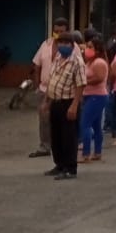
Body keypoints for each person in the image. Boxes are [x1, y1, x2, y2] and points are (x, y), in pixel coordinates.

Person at [42, 31, 86, 180]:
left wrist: (74, 106)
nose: (63, 46)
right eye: (60, 43)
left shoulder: (77, 62)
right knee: (56, 137)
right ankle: (59, 164)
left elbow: (80, 85)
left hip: (69, 102)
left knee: (69, 137)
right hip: (55, 102)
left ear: (72, 46)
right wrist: (47, 102)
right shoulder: (58, 58)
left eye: (66, 43)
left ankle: (70, 168)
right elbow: (52, 80)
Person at [28, 16, 70, 158]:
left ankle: (62, 146)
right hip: (44, 89)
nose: (58, 34)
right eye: (56, 31)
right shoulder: (45, 45)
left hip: (63, 91)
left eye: (61, 31)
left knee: (61, 120)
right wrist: (37, 86)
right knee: (44, 119)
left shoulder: (72, 47)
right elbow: (36, 65)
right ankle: (45, 146)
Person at [80, 35, 109, 163]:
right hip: (90, 96)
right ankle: (97, 152)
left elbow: (99, 78)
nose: (87, 49)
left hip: (97, 96)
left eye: (90, 47)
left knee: (85, 124)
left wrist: (83, 82)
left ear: (97, 49)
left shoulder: (99, 63)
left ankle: (86, 154)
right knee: (96, 126)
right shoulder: (89, 62)